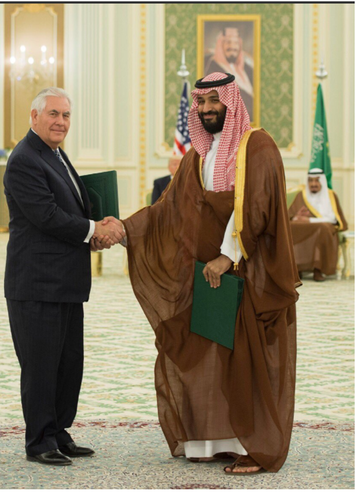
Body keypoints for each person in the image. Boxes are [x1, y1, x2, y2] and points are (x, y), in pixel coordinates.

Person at [113, 72, 298, 474]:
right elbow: (169, 209)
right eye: (201, 103)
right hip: (203, 278)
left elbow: (258, 207)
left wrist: (227, 256)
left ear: (232, 101)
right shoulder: (200, 152)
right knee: (208, 354)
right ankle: (213, 440)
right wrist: (124, 229)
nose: (208, 108)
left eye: (215, 100)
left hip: (247, 275)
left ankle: (255, 445)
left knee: (246, 358)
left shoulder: (258, 146)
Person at [3, 87, 124, 466]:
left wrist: (96, 226)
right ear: (34, 117)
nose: (60, 122)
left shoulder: (55, 154)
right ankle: (39, 441)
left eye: (66, 115)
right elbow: (46, 216)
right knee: (40, 365)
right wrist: (93, 231)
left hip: (65, 281)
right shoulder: (24, 159)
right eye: (53, 113)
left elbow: (72, 206)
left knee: (67, 363)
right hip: (36, 283)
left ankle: (58, 432)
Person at [288, 168, 348, 281]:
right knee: (292, 226)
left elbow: (332, 219)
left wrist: (309, 221)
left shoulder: (330, 196)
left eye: (316, 181)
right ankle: (297, 268)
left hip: (324, 226)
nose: (313, 184)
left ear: (322, 182)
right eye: (310, 181)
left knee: (323, 228)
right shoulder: (302, 195)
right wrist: (297, 216)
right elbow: (290, 216)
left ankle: (318, 270)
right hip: (305, 226)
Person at [204, 27, 254, 116]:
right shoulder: (211, 69)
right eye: (228, 42)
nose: (232, 46)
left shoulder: (248, 69)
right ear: (220, 45)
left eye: (236, 43)